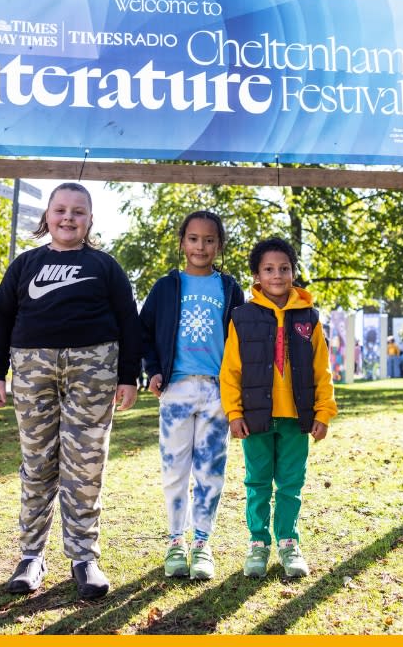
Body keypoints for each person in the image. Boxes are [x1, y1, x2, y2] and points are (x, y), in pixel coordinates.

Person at [0, 182, 140, 600]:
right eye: (61, 210)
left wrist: (129, 376)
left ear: (90, 220)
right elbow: (1, 316)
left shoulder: (105, 266)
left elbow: (129, 320)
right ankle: (30, 557)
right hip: (33, 368)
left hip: (94, 369)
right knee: (37, 463)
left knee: (84, 467)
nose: (68, 218)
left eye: (78, 212)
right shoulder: (24, 265)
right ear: (47, 217)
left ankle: (84, 558)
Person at [220, 238, 337, 578]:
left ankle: (288, 541)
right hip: (256, 417)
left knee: (289, 484)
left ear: (293, 272)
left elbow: (322, 368)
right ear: (256, 275)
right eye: (269, 269)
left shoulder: (309, 317)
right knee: (257, 482)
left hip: (297, 418)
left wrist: (323, 412)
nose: (277, 275)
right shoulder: (242, 317)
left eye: (284, 268)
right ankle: (258, 544)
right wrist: (234, 412)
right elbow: (231, 370)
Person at [139, 210, 245, 580]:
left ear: (219, 245)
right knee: (174, 470)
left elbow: (240, 341)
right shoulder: (166, 287)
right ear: (183, 242)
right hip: (176, 390)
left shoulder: (229, 288)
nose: (201, 247)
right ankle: (175, 541)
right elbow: (145, 331)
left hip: (218, 391)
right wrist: (152, 369)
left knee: (211, 470)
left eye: (209, 240)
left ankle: (202, 543)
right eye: (194, 239)